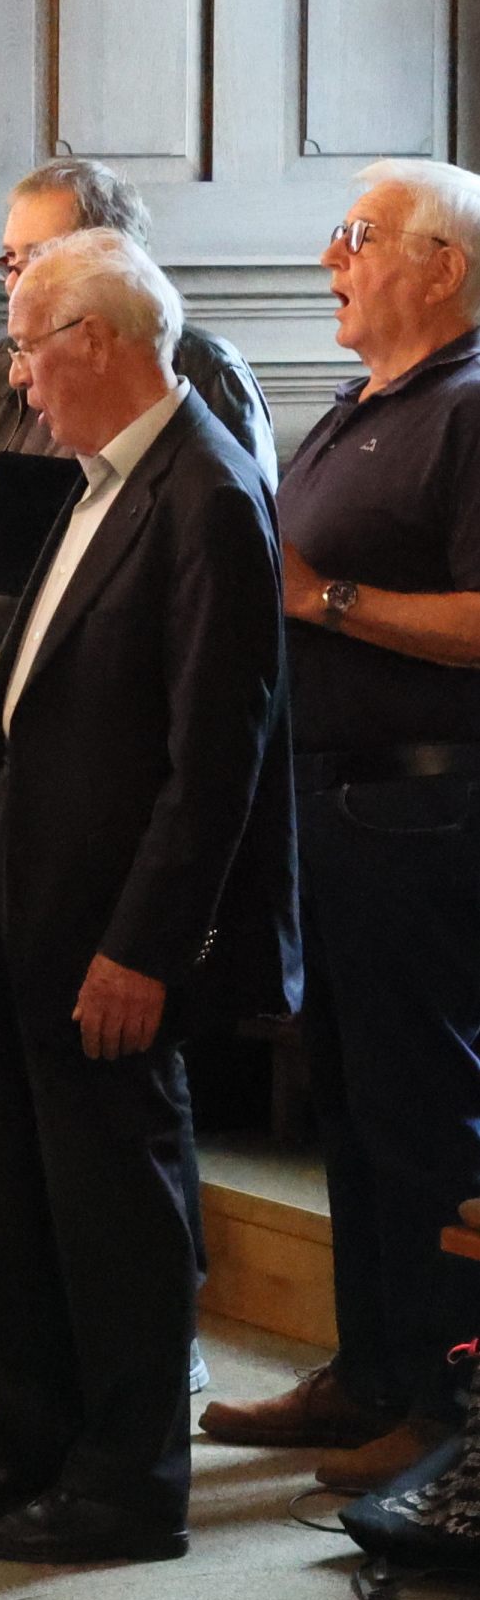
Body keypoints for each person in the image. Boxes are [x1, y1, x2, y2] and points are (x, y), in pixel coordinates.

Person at [0, 235, 292, 1566]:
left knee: (114, 1206)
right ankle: (29, 1439)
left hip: (111, 923)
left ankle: (125, 1481)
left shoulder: (207, 493)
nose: (16, 377)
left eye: (26, 346)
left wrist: (144, 946)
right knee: (17, 1192)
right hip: (26, 885)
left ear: (99, 340)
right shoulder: (93, 483)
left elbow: (214, 756)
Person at [202, 158, 480, 1492]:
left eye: (357, 236)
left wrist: (325, 602)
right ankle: (368, 1372)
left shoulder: (467, 410)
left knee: (422, 1112)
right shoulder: (359, 406)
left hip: (421, 806)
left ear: (442, 266)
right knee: (352, 1111)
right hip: (327, 802)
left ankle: (444, 1402)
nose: (330, 259)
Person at [0, 160, 277, 645]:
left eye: (38, 258)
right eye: (10, 260)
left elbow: (221, 576)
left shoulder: (205, 372)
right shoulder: (1, 364)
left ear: (108, 258)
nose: (13, 282)